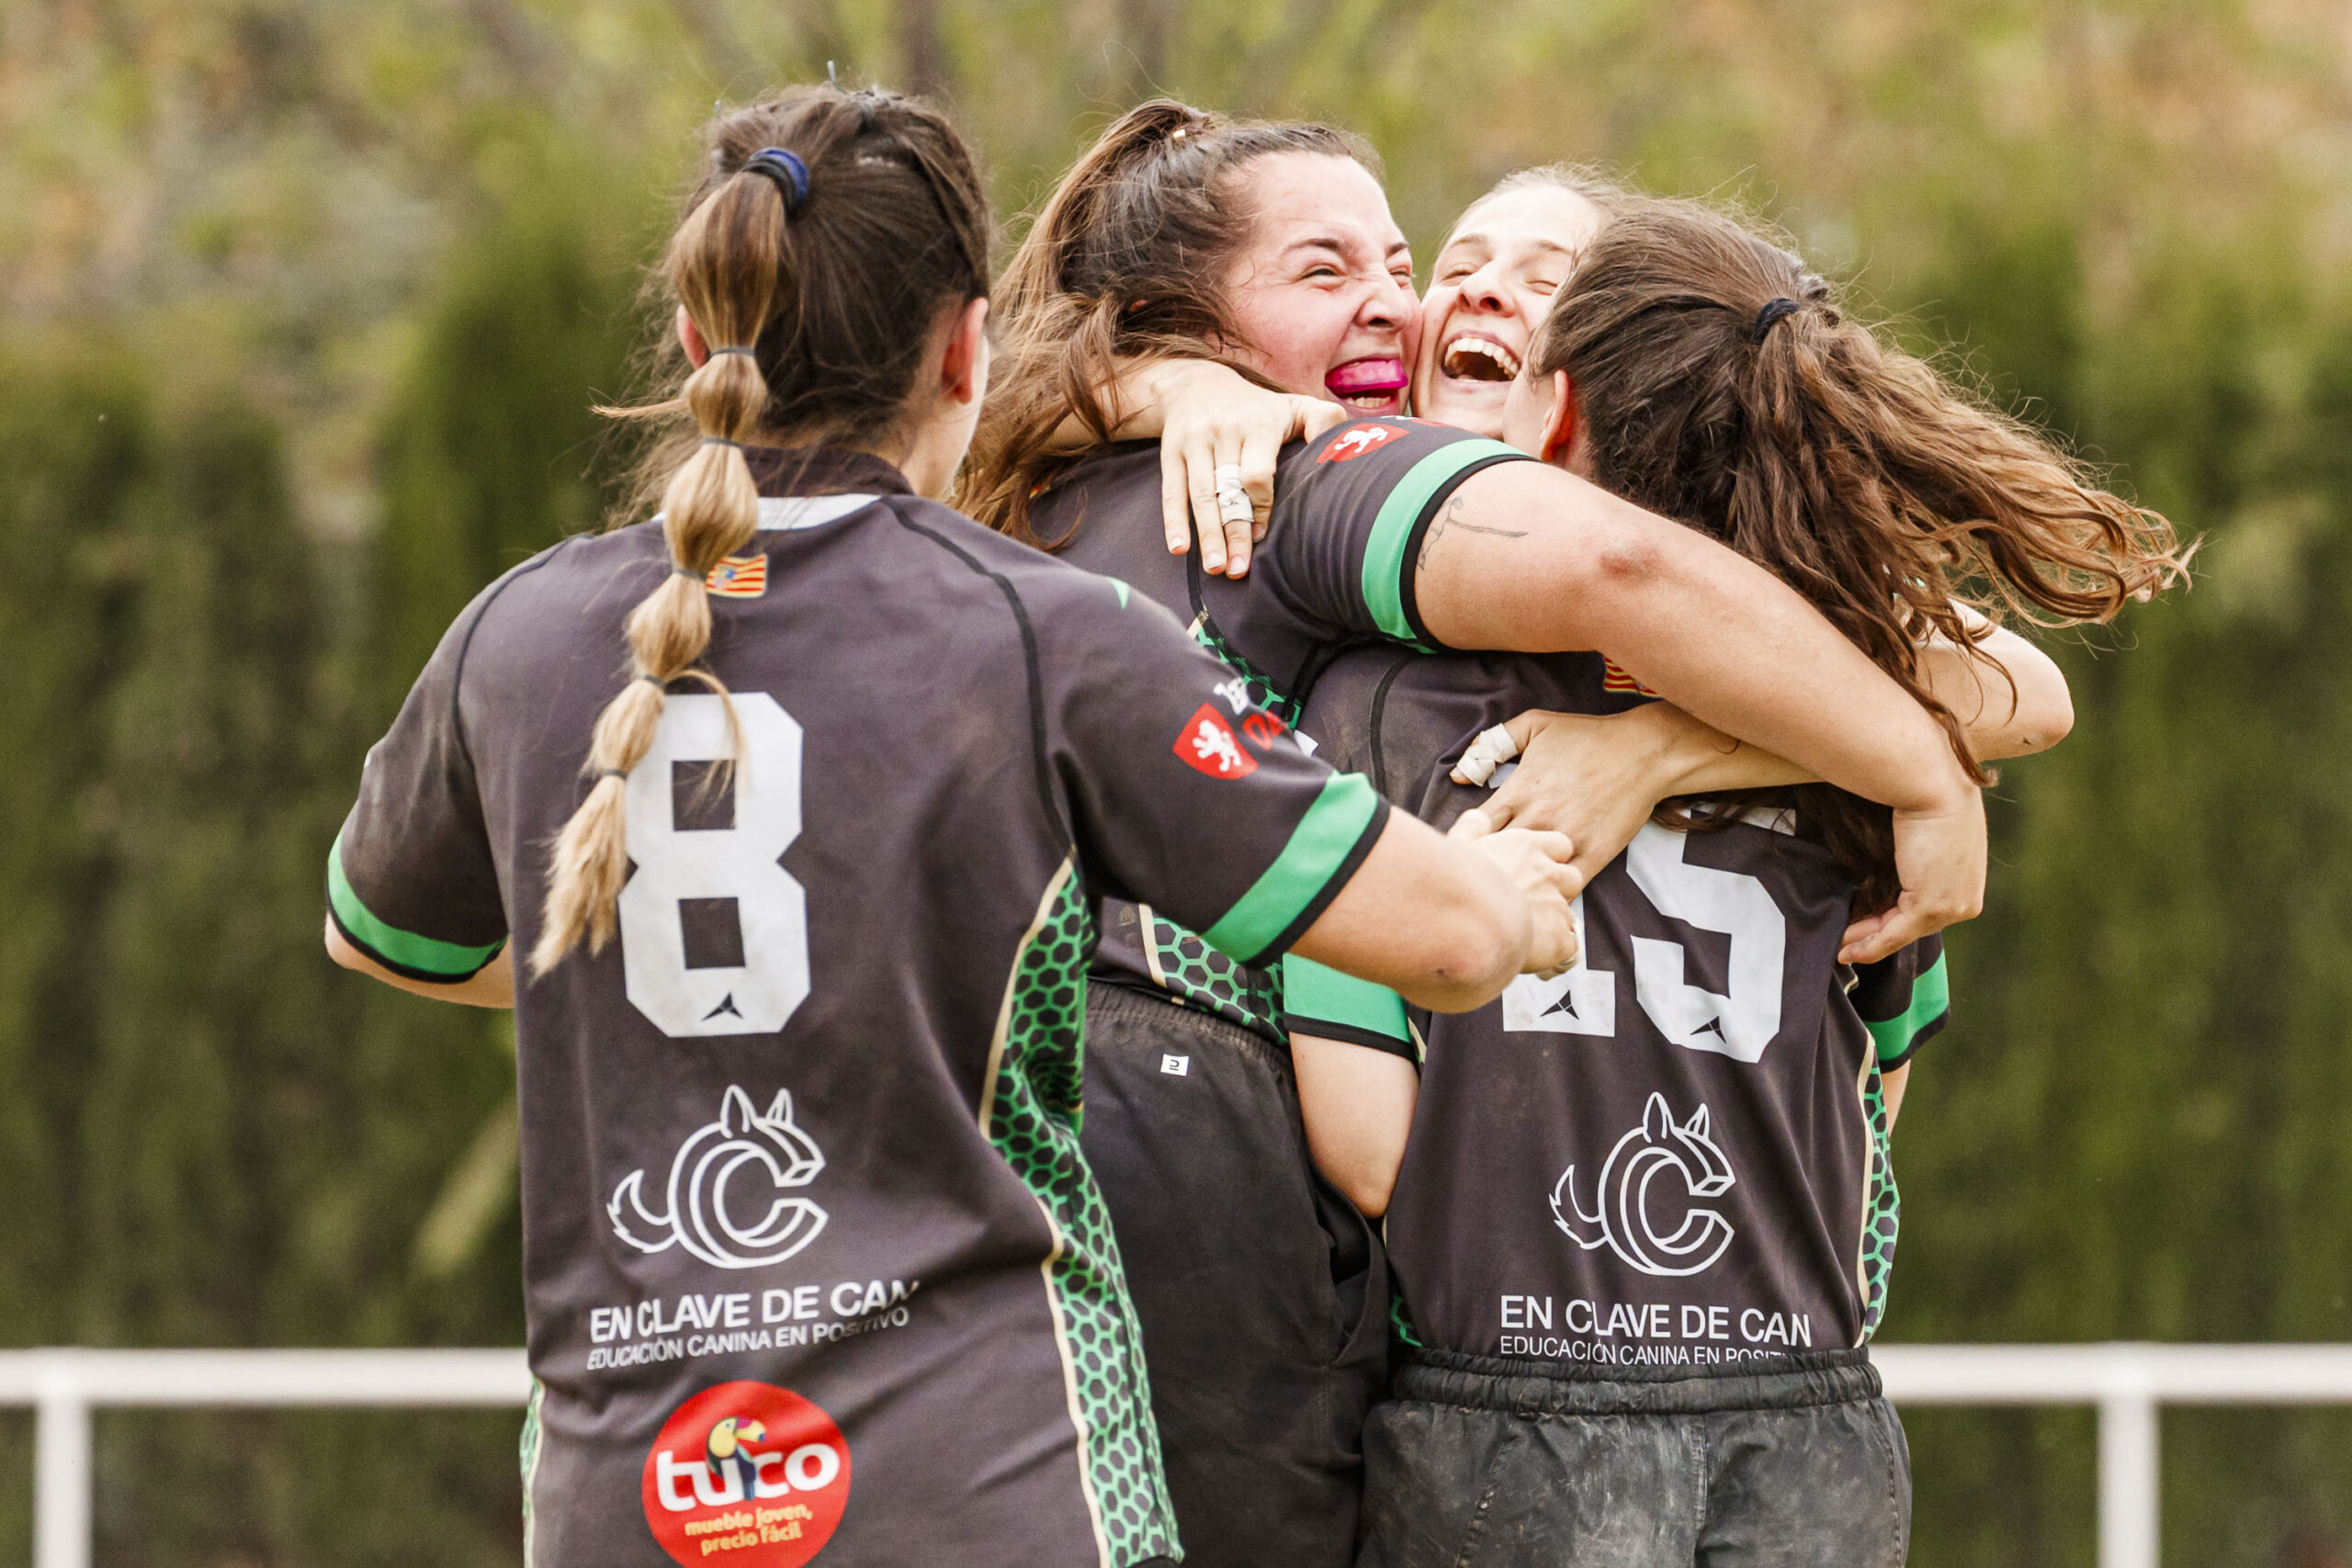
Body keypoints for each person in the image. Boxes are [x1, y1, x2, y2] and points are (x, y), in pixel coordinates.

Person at [319, 85, 1585, 1568]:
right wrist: (1514, 881)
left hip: (634, 1496)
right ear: (966, 347)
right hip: (982, 1483)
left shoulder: (515, 635)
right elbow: (1438, 941)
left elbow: (389, 941)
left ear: (693, 336)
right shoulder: (1045, 636)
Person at [960, 101, 1996, 1568]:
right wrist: (1927, 778)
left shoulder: (1389, 670)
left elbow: (1982, 680)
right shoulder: (1332, 508)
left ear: (1591, 384)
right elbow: (1961, 708)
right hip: (1771, 1399)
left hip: (1460, 1376)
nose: (1425, 297)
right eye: (1354, 269)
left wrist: (1662, 751)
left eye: (1409, 260)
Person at [1278, 196, 2187, 1567]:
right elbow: (1879, 1103)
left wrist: (1637, 766)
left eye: (1536, 280)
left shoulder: (1368, 701)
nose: (1475, 294)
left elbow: (1364, 1148)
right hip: (1807, 1417)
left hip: (1503, 1419)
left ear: (1561, 403)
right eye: (1452, 266)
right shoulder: (1853, 734)